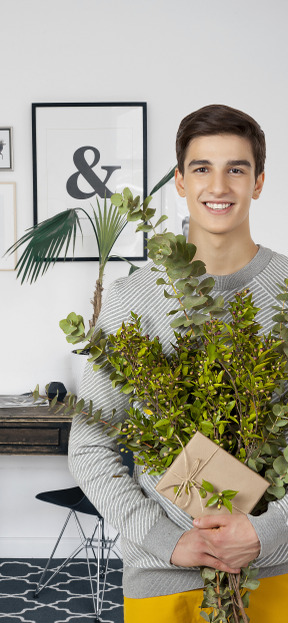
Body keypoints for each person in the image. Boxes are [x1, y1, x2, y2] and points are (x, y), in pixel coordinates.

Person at [68, 104, 288, 622]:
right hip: (164, 576)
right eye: (202, 168)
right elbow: (91, 444)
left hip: (277, 570)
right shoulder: (131, 300)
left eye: (236, 168)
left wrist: (267, 532)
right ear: (180, 183)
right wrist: (168, 541)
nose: (219, 185)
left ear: (258, 182)